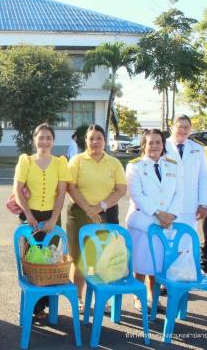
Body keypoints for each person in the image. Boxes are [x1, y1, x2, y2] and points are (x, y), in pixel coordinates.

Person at [14, 123, 71, 319]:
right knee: (29, 261)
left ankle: (43, 306)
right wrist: (28, 215)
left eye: (48, 138)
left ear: (53, 141)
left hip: (51, 217)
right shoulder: (26, 161)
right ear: (34, 139)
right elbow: (17, 190)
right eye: (41, 137)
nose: (44, 141)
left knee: (50, 262)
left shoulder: (60, 162)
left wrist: (53, 220)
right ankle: (33, 306)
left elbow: (61, 194)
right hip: (29, 217)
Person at [67, 124, 127, 312]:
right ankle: (77, 297)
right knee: (79, 258)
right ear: (85, 141)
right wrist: (88, 209)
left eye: (99, 138)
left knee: (104, 256)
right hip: (79, 213)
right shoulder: (77, 160)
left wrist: (100, 207)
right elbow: (71, 187)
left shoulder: (114, 163)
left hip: (107, 212)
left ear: (105, 140)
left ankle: (101, 297)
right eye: (91, 138)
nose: (95, 142)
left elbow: (121, 189)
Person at [126, 129, 182, 311]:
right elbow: (137, 195)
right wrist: (159, 213)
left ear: (163, 145)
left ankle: (153, 298)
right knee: (141, 263)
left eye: (158, 142)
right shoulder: (135, 166)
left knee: (158, 264)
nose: (155, 146)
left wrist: (170, 214)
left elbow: (179, 192)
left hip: (166, 223)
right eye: (150, 142)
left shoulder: (172, 165)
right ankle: (138, 296)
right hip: (144, 221)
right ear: (144, 145)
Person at [165, 114, 207, 251]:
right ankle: (168, 272)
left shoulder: (198, 149)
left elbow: (203, 177)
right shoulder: (161, 146)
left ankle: (186, 272)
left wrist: (203, 203)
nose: (183, 130)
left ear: (190, 129)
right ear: (172, 128)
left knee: (187, 243)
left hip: (190, 206)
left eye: (186, 127)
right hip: (167, 205)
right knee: (168, 243)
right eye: (179, 127)